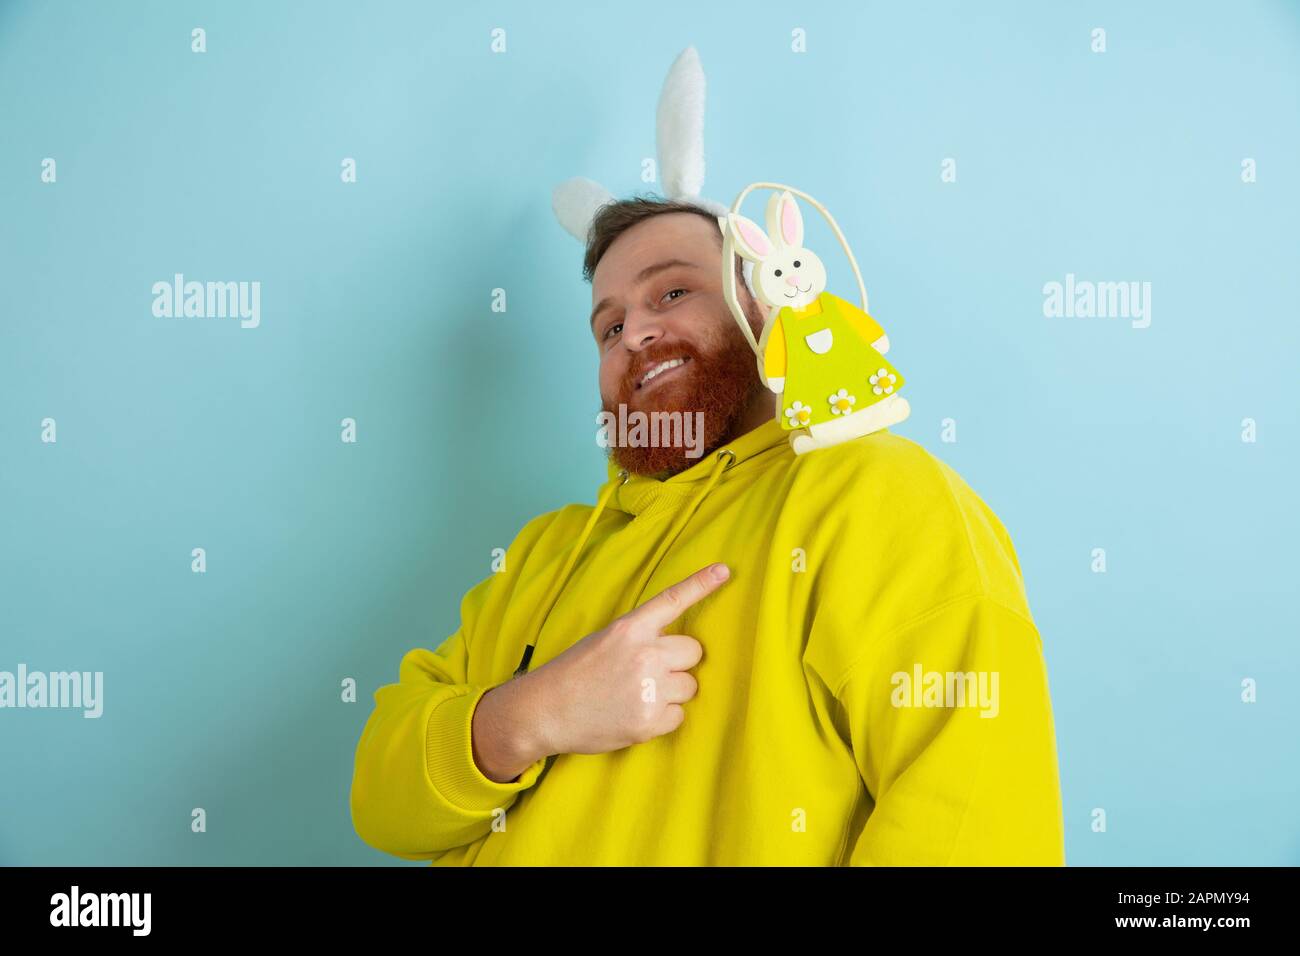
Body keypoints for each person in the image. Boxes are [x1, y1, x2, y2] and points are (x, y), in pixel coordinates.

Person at [349, 196, 1066, 866]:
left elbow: (977, 814)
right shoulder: (544, 551)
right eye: (608, 326)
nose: (635, 331)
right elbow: (383, 806)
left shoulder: (873, 492)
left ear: (762, 304)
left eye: (671, 292)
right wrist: (532, 714)